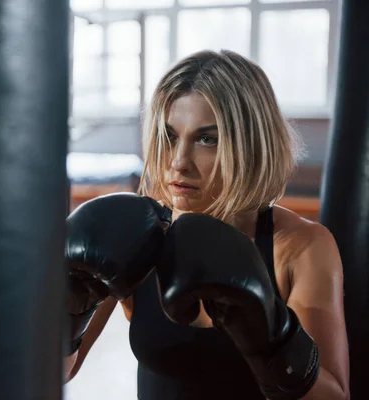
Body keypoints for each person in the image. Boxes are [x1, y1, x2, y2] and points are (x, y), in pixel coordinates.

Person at [63, 49, 350, 399]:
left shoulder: (300, 246)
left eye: (206, 139)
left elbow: (335, 396)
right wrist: (70, 306)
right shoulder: (137, 235)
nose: (179, 162)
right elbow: (61, 371)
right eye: (169, 136)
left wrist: (273, 339)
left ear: (250, 144)